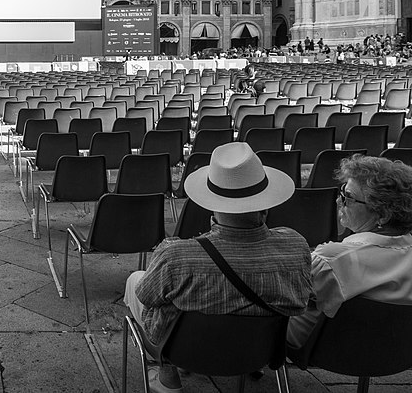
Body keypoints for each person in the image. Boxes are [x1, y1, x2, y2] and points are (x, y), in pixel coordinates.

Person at [124, 143, 311, 393]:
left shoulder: (176, 256)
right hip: (260, 351)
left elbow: (147, 297)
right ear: (266, 204)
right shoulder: (296, 247)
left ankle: (168, 376)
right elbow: (302, 300)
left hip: (184, 347)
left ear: (212, 202)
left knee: (136, 281)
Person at [287, 155, 412, 349]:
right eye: (342, 192)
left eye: (348, 197)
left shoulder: (331, 260)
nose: (339, 201)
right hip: (398, 352)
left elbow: (284, 293)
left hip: (327, 350)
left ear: (383, 214)